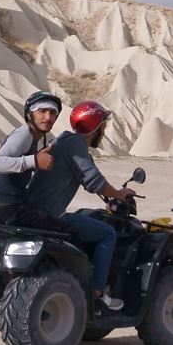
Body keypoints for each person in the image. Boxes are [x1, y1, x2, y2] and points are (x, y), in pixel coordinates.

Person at [27, 100, 136, 314]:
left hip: (35, 212)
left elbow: (91, 176)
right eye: (103, 126)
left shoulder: (65, 141)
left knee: (82, 219)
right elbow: (94, 182)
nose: (104, 132)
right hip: (50, 216)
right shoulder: (76, 144)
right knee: (107, 233)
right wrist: (120, 195)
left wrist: (111, 191)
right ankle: (98, 292)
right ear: (94, 127)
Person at [0, 90, 75, 233]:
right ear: (30, 114)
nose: (48, 117)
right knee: (69, 232)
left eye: (52, 113)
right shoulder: (24, 135)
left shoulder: (33, 138)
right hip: (10, 210)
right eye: (42, 111)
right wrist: (34, 160)